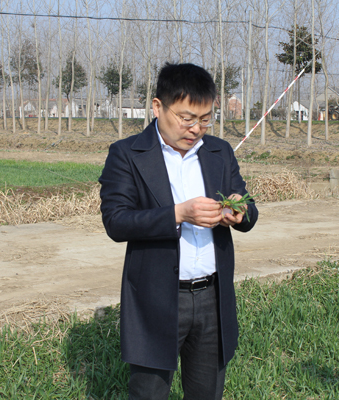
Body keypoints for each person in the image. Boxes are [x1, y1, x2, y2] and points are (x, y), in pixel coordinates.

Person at [99, 63, 258, 400]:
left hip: (212, 296)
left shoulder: (219, 152)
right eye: (186, 118)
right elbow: (116, 221)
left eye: (205, 119)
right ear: (158, 107)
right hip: (157, 296)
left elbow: (249, 207)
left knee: (206, 392)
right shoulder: (128, 154)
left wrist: (239, 210)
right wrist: (178, 214)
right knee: (149, 393)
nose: (196, 129)